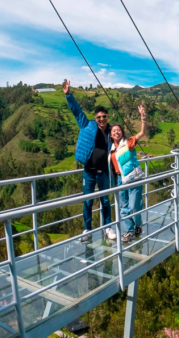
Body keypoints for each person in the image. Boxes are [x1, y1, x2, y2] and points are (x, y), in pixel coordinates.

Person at [63, 79, 111, 242]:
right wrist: (68, 95)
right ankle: (87, 229)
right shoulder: (87, 125)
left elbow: (127, 141)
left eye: (104, 117)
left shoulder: (112, 132)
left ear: (107, 117)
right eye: (99, 117)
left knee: (105, 200)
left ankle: (107, 228)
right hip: (89, 172)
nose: (101, 119)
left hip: (104, 172)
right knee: (87, 201)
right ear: (95, 118)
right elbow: (77, 112)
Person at [105, 105, 147, 242]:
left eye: (118, 130)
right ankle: (129, 231)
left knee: (134, 206)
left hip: (133, 178)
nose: (116, 132)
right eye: (114, 131)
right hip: (119, 180)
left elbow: (141, 133)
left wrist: (143, 118)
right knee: (124, 208)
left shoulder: (128, 143)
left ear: (122, 133)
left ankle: (138, 223)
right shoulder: (111, 150)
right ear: (111, 135)